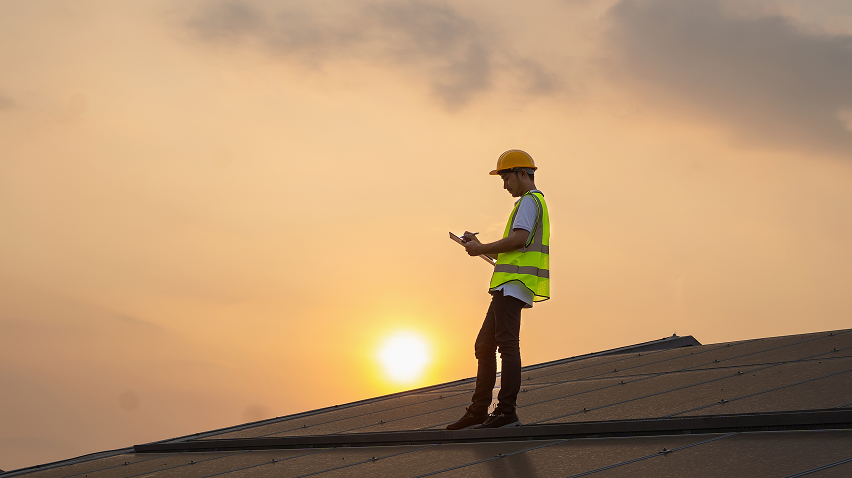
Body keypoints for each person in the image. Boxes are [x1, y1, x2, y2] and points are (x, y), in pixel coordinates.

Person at [447, 149, 550, 430]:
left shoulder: (529, 202)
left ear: (522, 174)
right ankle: (481, 411)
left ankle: (505, 412)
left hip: (513, 285)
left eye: (506, 179)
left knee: (505, 345)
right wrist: (480, 247)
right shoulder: (532, 203)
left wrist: (480, 248)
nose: (505, 186)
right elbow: (514, 250)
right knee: (485, 345)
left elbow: (518, 240)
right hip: (511, 283)